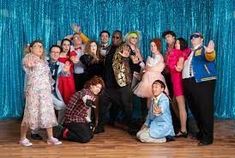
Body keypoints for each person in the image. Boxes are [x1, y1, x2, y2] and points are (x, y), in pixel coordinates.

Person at [19, 40, 62, 147]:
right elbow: (28, 64)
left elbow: (48, 77)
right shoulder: (28, 57)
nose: (40, 48)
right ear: (31, 48)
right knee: (30, 114)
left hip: (45, 92)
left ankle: (50, 137)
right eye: (37, 46)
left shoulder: (44, 61)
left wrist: (50, 87)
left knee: (47, 113)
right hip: (33, 92)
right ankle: (22, 138)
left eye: (41, 46)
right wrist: (30, 58)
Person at [181, 32, 216, 146]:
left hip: (202, 82)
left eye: (196, 37)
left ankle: (207, 138)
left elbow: (209, 56)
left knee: (205, 109)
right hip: (190, 82)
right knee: (195, 109)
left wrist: (210, 51)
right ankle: (202, 132)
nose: (193, 38)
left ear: (202, 39)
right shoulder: (190, 52)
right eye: (191, 37)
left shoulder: (203, 49)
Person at [53, 76, 104, 143]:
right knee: (85, 138)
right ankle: (62, 132)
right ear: (91, 85)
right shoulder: (85, 92)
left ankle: (68, 130)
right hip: (71, 120)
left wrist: (89, 122)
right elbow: (84, 97)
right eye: (97, 87)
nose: (98, 89)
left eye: (100, 88)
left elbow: (84, 112)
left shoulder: (92, 95)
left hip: (79, 119)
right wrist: (87, 101)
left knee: (91, 135)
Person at [166, 38, 191, 137]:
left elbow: (179, 68)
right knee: (174, 103)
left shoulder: (180, 54)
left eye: (178, 43)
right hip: (175, 81)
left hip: (178, 82)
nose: (176, 44)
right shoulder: (178, 53)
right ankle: (182, 124)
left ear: (182, 44)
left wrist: (174, 66)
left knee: (181, 105)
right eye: (176, 42)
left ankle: (184, 129)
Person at [134, 38, 168, 106]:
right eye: (151, 46)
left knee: (153, 100)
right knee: (150, 100)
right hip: (147, 79)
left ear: (158, 46)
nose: (152, 48)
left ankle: (152, 115)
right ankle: (149, 115)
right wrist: (138, 55)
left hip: (154, 79)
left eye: (154, 45)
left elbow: (151, 68)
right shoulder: (153, 56)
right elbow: (145, 67)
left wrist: (146, 68)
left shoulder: (159, 56)